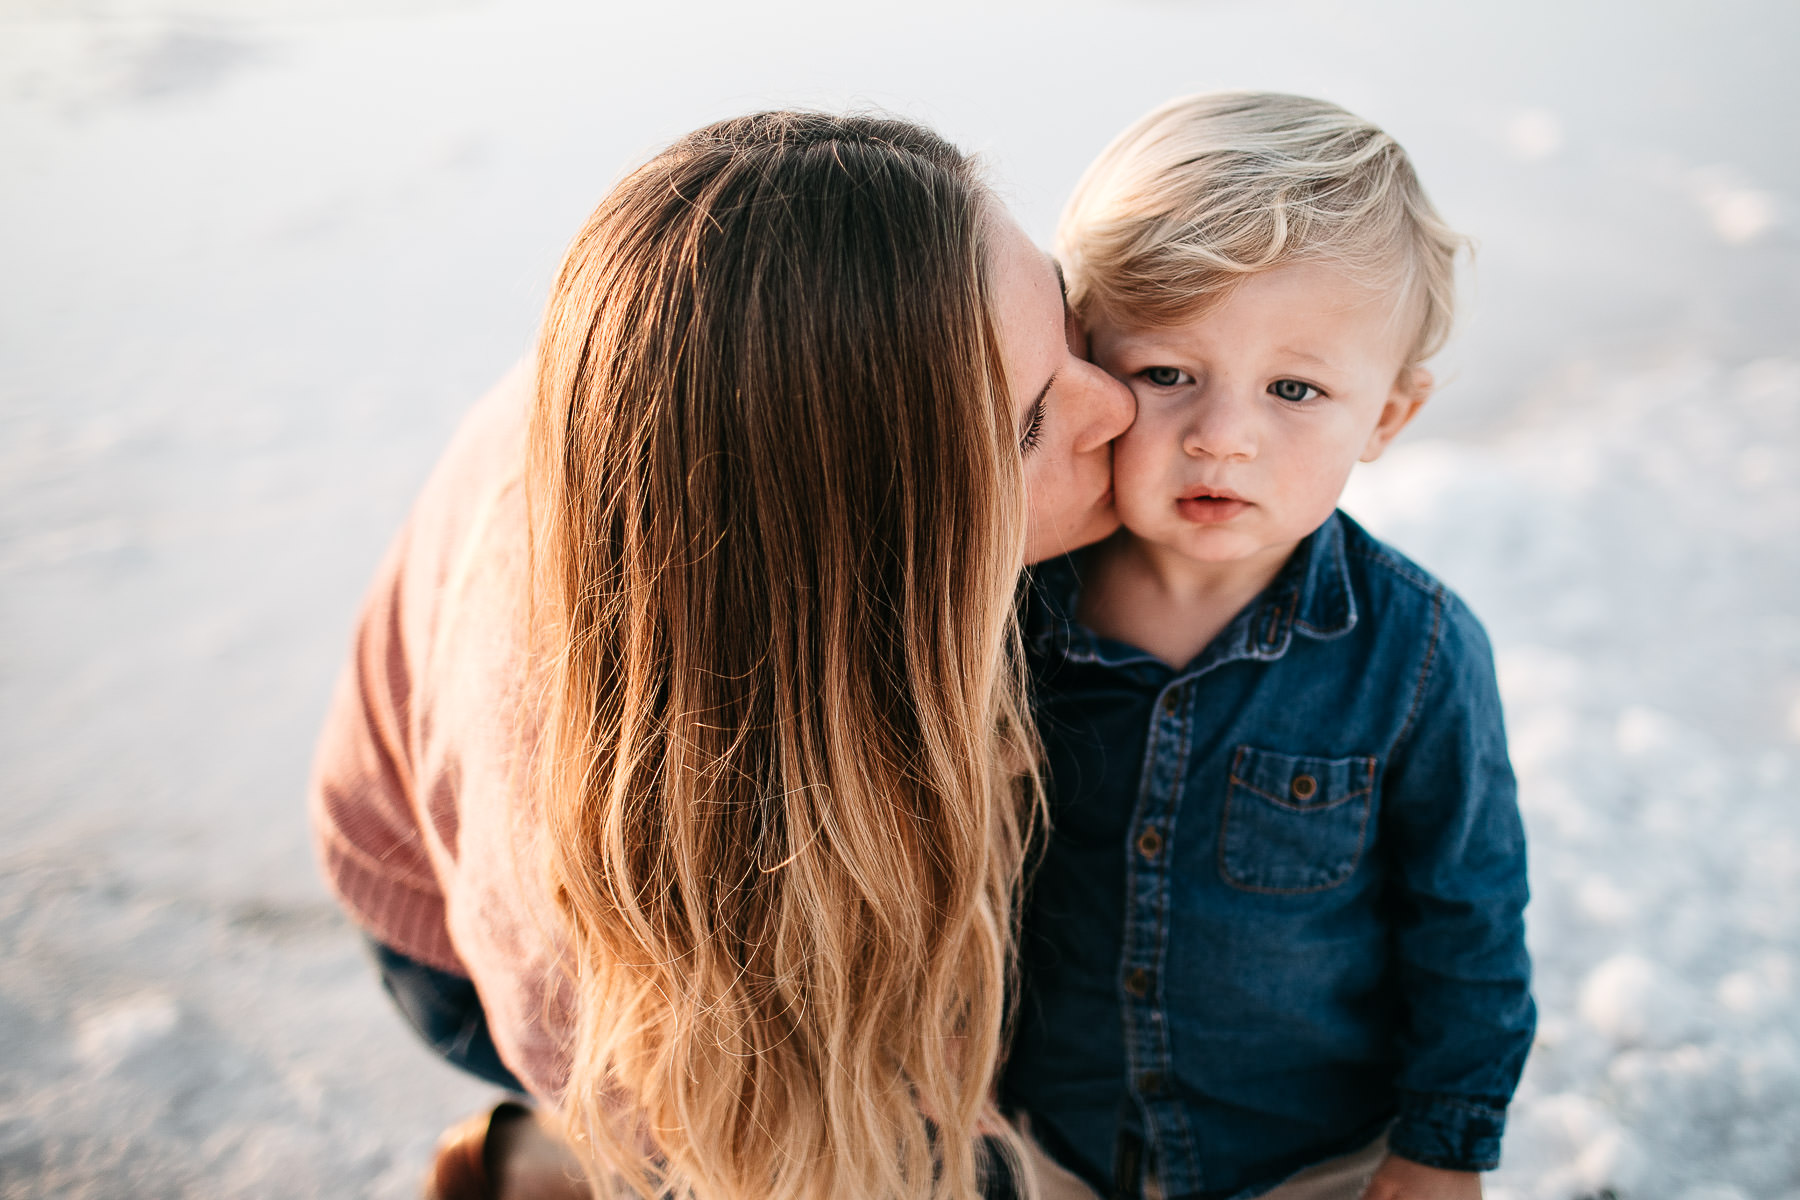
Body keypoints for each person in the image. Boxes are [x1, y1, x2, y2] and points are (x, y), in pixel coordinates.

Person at [308, 111, 1134, 1200]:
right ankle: (536, 1168)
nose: (1117, 403)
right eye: (1031, 425)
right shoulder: (564, 775)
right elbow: (610, 1055)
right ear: (860, 546)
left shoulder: (782, 357)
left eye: (1068, 321)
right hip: (469, 947)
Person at [998, 93, 1536, 1200]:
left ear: (1386, 417)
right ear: (1087, 369)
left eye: (1295, 389)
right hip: (1049, 1142)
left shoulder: (1417, 653)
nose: (1222, 434)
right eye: (1166, 373)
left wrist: (1443, 1149)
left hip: (1308, 1159)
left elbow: (1468, 924)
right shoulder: (1010, 615)